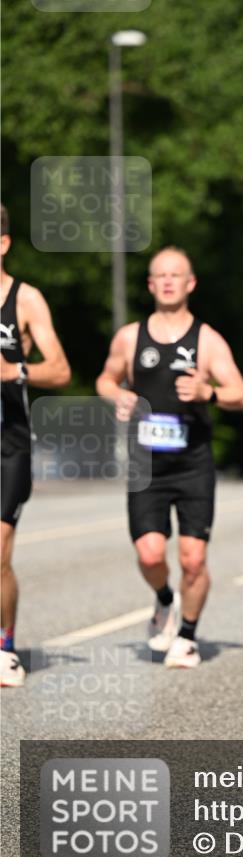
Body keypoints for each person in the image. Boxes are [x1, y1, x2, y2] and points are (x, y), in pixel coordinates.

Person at [96, 246, 243, 668]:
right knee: (149, 554)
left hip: (193, 463)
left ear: (190, 283)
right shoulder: (130, 336)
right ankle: (165, 599)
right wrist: (119, 395)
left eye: (175, 274)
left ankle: (186, 635)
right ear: (150, 284)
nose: (166, 281)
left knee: (193, 558)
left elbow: (241, 393)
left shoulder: (207, 339)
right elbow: (105, 380)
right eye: (159, 275)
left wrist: (210, 393)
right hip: (146, 465)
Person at [1, 203, 71, 686]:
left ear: (3, 244)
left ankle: (5, 646)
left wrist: (16, 371)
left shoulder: (25, 300)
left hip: (9, 443)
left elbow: (61, 369)